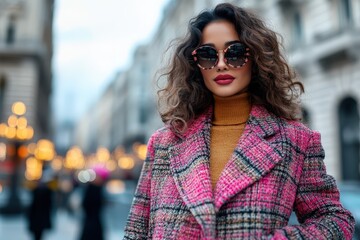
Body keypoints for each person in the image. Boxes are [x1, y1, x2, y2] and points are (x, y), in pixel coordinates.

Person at [123, 3, 355, 239]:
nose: (221, 64)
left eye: (234, 53)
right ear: (196, 65)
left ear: (255, 57)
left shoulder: (296, 140)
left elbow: (335, 220)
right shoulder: (164, 142)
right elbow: (136, 232)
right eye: (208, 55)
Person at [78, 165, 109, 240]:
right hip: (91, 221)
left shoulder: (98, 189)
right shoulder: (92, 188)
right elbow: (86, 204)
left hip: (95, 220)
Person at [27, 170, 54, 240]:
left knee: (38, 235)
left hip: (39, 219)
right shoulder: (38, 192)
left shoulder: (43, 193)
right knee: (38, 235)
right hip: (38, 219)